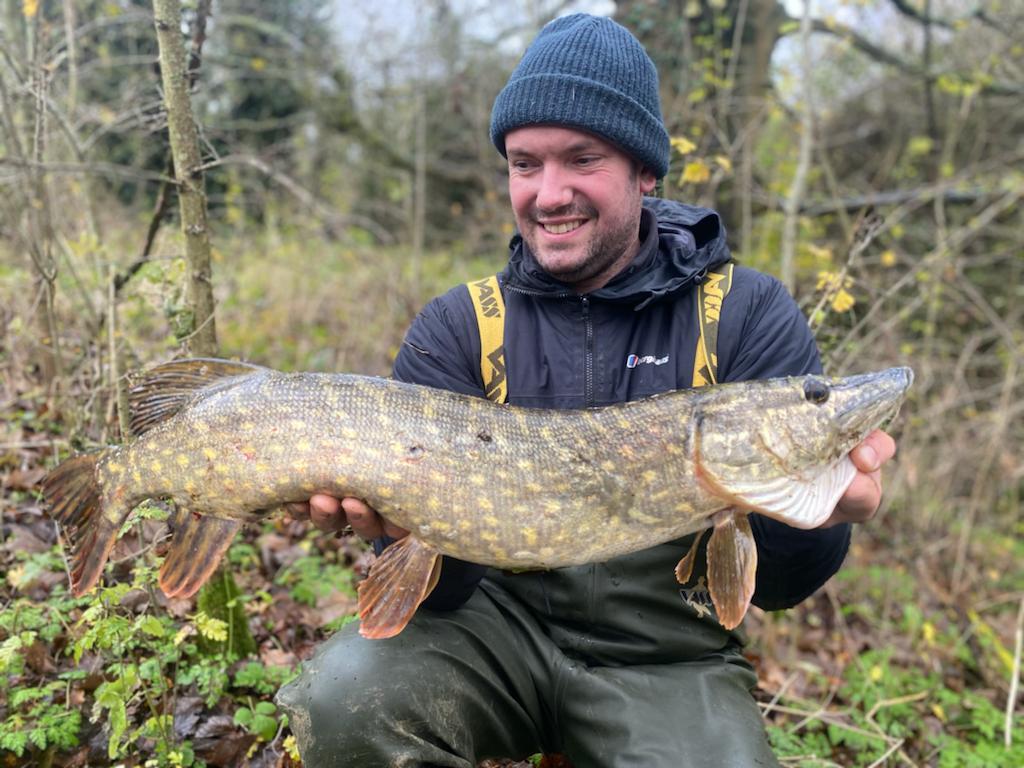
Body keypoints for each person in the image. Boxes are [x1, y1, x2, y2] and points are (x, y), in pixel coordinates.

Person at [276, 13, 896, 767]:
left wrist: (814, 515)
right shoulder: (461, 325)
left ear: (644, 171)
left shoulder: (744, 312)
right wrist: (390, 526)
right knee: (343, 701)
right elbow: (439, 594)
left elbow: (780, 589)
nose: (549, 193)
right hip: (491, 636)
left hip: (665, 660)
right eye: (525, 164)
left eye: (582, 159)